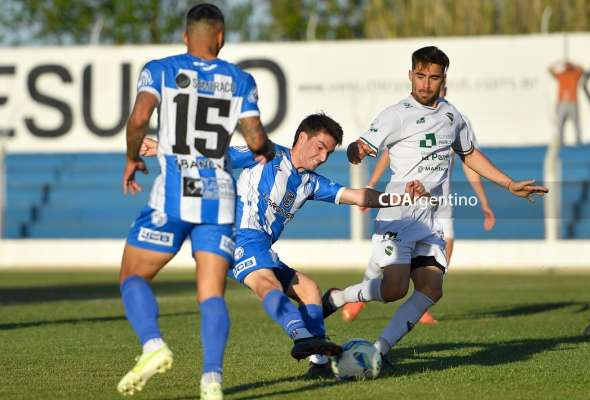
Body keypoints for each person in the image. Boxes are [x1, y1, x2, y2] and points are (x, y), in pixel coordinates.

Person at [141, 113, 426, 379]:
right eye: (319, 147)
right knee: (268, 284)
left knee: (310, 291)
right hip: (235, 236)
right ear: (302, 137)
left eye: (328, 152)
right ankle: (302, 337)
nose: (323, 157)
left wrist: (400, 199)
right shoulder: (266, 154)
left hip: (261, 246)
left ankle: (320, 366)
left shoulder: (309, 182)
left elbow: (358, 196)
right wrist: (161, 148)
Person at [322, 46, 549, 360]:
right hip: (398, 216)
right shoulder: (395, 114)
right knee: (394, 290)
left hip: (430, 220)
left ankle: (379, 351)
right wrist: (357, 151)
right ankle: (338, 297)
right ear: (410, 75)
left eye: (434, 77)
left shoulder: (452, 116)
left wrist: (508, 183)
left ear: (443, 79)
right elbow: (360, 146)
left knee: (431, 289)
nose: (426, 84)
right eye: (420, 76)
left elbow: (469, 154)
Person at [117, 4, 273, 400]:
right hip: (218, 200)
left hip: (173, 196)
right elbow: (255, 137)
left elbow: (138, 120)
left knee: (133, 277)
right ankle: (211, 381)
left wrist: (133, 157)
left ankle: (153, 345)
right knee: (211, 295)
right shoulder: (240, 79)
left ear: (186, 37)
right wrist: (265, 150)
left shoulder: (161, 69)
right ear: (220, 38)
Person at [341, 86, 496, 324]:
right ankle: (361, 294)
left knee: (444, 253)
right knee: (391, 255)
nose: (433, 88)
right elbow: (386, 154)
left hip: (440, 200)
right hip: (408, 200)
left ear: (444, 84)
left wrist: (484, 202)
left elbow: (469, 161)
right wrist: (371, 185)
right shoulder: (407, 117)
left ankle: (421, 301)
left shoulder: (455, 119)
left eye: (438, 81)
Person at [548, 61, 585, 145]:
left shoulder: (575, 74)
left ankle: (578, 140)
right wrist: (558, 63)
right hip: (562, 102)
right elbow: (549, 69)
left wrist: (573, 64)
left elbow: (582, 69)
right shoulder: (561, 75)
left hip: (572, 101)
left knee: (576, 122)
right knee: (560, 123)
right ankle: (560, 141)